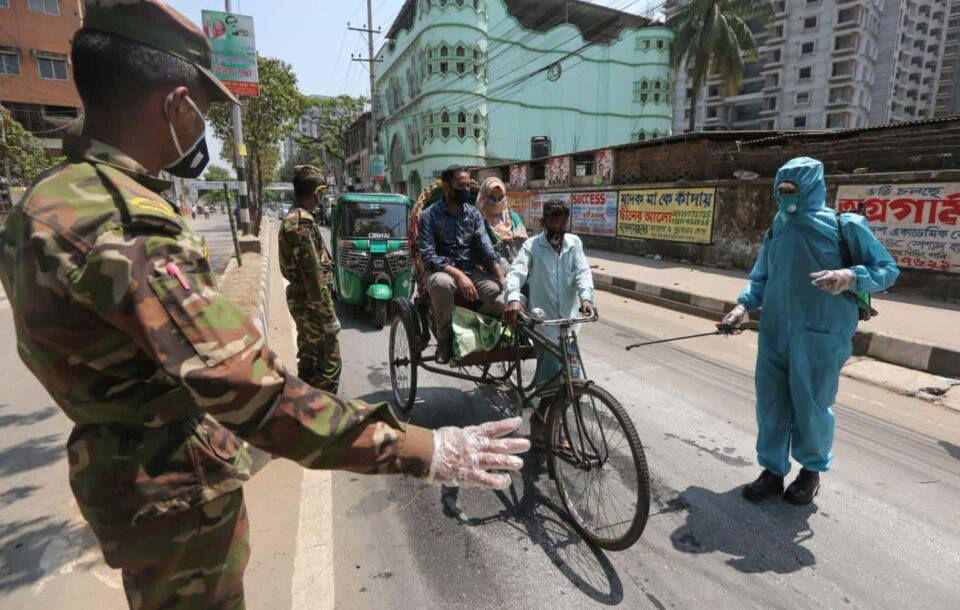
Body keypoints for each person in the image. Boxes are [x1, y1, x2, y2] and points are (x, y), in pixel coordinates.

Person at [0, 3, 528, 608]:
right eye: (203, 109)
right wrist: (425, 449)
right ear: (176, 104)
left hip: (128, 477)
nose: (203, 126)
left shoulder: (48, 201)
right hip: (175, 494)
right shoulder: (125, 227)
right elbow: (251, 392)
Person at [722, 157, 899, 505]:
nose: (786, 195)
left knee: (812, 405)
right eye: (781, 189)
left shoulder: (843, 224)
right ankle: (772, 471)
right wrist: (743, 306)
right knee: (771, 404)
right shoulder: (778, 226)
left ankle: (810, 472)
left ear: (812, 188)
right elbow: (763, 276)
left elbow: (887, 269)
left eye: (793, 189)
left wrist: (850, 276)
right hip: (775, 332)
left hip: (821, 334)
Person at [504, 199, 595, 445]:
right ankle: (546, 424)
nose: (559, 226)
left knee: (571, 379)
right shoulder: (532, 246)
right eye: (554, 222)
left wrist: (586, 298)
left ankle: (546, 421)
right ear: (544, 222)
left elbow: (582, 272)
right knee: (554, 376)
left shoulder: (574, 243)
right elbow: (516, 273)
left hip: (569, 322)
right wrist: (513, 300)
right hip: (543, 322)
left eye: (563, 222)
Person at [418, 166, 506, 364]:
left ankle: (476, 329)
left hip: (471, 270)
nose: (465, 190)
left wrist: (501, 279)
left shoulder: (474, 214)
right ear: (447, 187)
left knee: (497, 293)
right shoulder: (429, 216)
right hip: (440, 271)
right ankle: (444, 338)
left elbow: (485, 249)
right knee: (443, 284)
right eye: (461, 186)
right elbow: (429, 255)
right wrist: (459, 276)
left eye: (468, 185)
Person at [279, 166, 341, 393]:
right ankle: (324, 415)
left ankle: (305, 411)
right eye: (323, 191)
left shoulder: (298, 219)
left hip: (304, 301)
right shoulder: (301, 224)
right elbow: (313, 275)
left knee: (308, 358)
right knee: (329, 364)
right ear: (317, 192)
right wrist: (328, 316)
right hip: (311, 304)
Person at [476, 176, 528, 265]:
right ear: (484, 196)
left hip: (516, 260)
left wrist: (516, 238)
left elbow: (523, 240)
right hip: (490, 263)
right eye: (492, 197)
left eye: (499, 197)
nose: (496, 201)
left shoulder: (512, 217)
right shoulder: (477, 218)